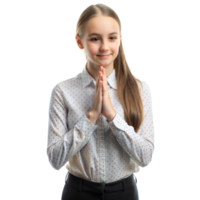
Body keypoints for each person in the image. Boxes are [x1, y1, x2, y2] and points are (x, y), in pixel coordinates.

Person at [46, 3, 155, 200]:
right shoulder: (62, 91)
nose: (104, 46)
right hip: (77, 192)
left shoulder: (139, 90)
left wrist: (112, 116)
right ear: (79, 42)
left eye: (112, 38)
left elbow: (146, 158)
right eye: (95, 39)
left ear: (119, 40)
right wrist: (91, 117)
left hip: (124, 192)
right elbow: (54, 158)